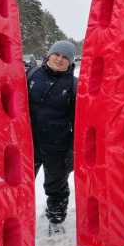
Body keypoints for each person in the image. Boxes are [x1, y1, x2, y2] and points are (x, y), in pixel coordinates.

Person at [26, 40, 77, 236]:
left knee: (56, 187)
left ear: (70, 62)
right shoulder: (30, 76)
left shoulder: (73, 85)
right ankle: (16, 217)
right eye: (57, 54)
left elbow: (78, 121)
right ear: (49, 55)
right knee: (19, 184)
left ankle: (56, 219)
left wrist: (72, 151)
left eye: (65, 57)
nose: (59, 59)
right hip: (28, 143)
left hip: (58, 146)